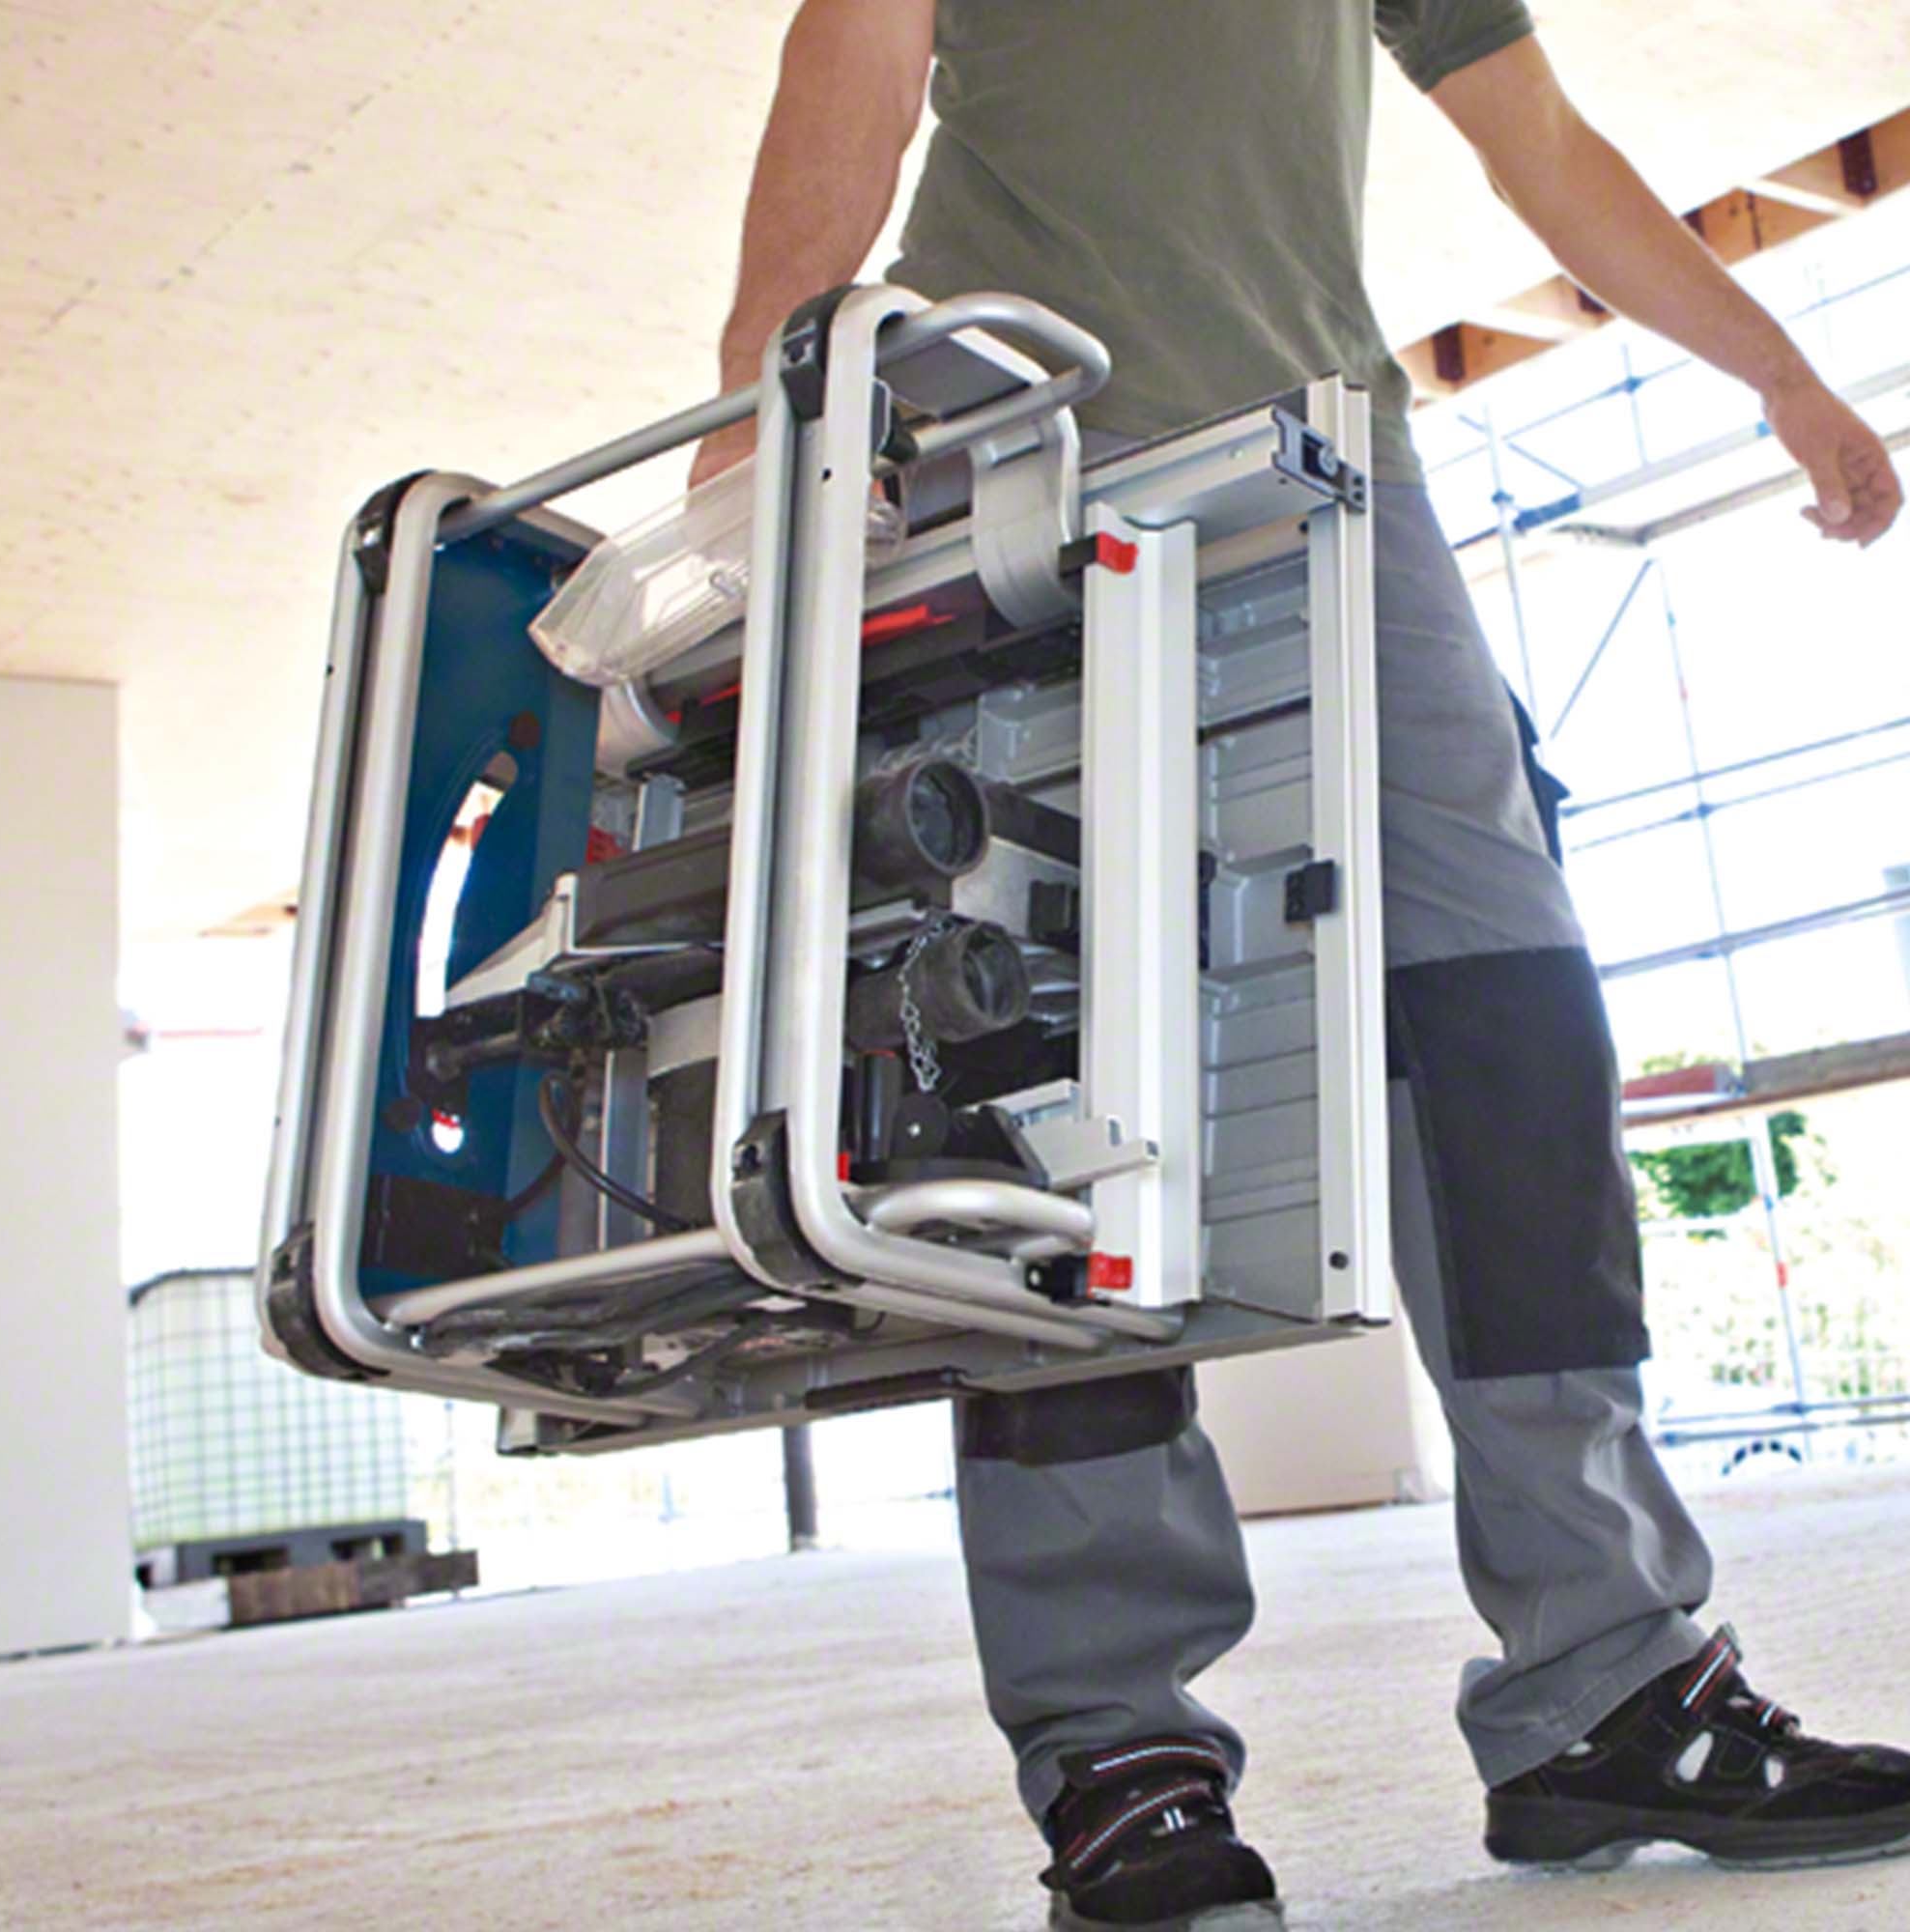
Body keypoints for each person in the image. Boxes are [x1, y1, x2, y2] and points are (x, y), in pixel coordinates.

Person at [692, 4, 1908, 1926]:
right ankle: (1118, 1745)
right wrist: (762, 429)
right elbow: (850, 71)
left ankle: (1609, 1686)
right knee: (1048, 1064)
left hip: (1338, 462)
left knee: (1507, 1018)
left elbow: (1544, 145)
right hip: (1024, 434)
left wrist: (1777, 374)